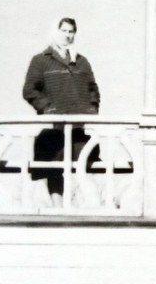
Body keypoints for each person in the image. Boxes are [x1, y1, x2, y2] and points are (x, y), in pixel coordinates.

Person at [23, 17, 100, 207]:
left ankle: (81, 208)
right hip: (54, 127)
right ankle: (57, 208)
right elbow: (30, 90)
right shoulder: (41, 60)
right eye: (63, 30)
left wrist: (91, 109)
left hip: (79, 128)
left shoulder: (81, 61)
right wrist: (47, 108)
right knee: (52, 165)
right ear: (56, 32)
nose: (67, 35)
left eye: (71, 31)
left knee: (84, 165)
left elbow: (93, 89)